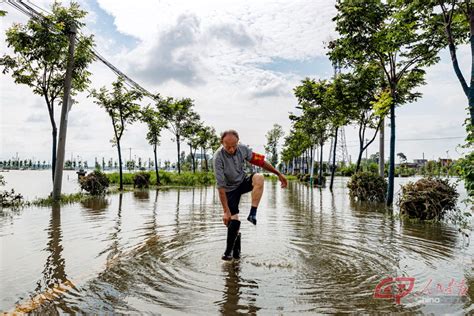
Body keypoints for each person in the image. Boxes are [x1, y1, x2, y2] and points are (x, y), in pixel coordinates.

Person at [213, 129, 288, 261]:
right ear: (221, 143)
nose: (231, 149)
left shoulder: (243, 149)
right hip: (229, 189)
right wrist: (226, 211)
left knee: (259, 177)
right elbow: (220, 187)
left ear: (238, 142)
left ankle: (253, 213)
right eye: (227, 146)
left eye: (234, 146)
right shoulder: (218, 157)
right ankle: (232, 254)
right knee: (232, 220)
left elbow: (260, 162)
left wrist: (278, 173)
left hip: (242, 182)